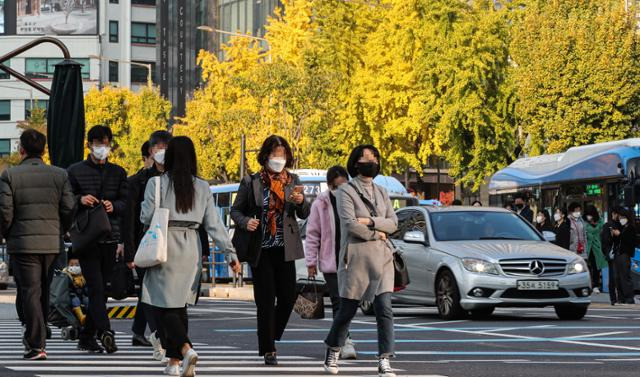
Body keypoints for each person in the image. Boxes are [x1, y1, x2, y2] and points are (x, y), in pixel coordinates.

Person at [140, 136, 241, 377]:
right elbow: (215, 224)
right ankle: (174, 363)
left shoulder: (157, 183)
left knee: (161, 305)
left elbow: (145, 217)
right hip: (192, 247)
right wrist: (230, 253)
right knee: (178, 305)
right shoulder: (203, 186)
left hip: (165, 245)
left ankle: (186, 349)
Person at [230, 135, 310, 365]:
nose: (279, 158)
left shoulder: (293, 180)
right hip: (261, 249)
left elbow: (305, 213)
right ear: (265, 156)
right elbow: (236, 211)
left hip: (285, 247)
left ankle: (269, 334)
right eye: (275, 154)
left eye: (282, 154)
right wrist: (246, 222)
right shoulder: (251, 181)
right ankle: (269, 349)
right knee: (265, 300)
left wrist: (300, 200)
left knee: (287, 298)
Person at [323, 145, 398, 377]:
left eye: (375, 157)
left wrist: (370, 221)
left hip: (383, 259)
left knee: (384, 309)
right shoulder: (346, 191)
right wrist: (378, 230)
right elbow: (350, 224)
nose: (372, 161)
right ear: (356, 162)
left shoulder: (382, 191)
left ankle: (384, 359)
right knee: (347, 310)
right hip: (356, 258)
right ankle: (333, 349)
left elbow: (393, 223)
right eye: (367, 157)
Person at [0, 129, 75, 360]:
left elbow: (4, 212)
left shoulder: (9, 175)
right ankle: (39, 335)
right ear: (44, 150)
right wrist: (60, 230)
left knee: (30, 291)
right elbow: (69, 207)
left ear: (21, 149)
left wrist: (7, 234)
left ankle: (36, 344)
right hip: (52, 243)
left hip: (23, 244)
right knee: (43, 291)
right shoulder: (60, 174)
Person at [67, 125, 128, 354]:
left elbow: (126, 202)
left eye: (105, 143)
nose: (102, 147)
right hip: (87, 237)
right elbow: (67, 199)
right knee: (95, 287)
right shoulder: (74, 171)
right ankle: (106, 332)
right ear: (89, 145)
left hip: (111, 237)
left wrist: (115, 206)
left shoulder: (119, 172)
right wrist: (80, 199)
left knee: (101, 290)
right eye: (97, 143)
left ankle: (86, 336)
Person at [124, 131, 172, 353]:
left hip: (172, 243)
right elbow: (131, 218)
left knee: (154, 290)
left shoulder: (179, 177)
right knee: (148, 289)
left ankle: (138, 330)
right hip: (146, 243)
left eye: (166, 147)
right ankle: (158, 335)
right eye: (158, 148)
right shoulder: (137, 181)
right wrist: (130, 252)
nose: (162, 153)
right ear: (150, 151)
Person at [304, 166, 356, 360]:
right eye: (337, 187)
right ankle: (345, 341)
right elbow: (312, 234)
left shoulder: (353, 200)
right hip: (330, 261)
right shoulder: (321, 204)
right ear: (329, 185)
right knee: (339, 302)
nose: (341, 190)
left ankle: (335, 339)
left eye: (345, 186)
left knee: (349, 302)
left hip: (351, 259)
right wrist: (311, 262)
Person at [612, 208, 635, 304]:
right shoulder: (619, 227)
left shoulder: (630, 228)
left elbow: (631, 241)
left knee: (625, 276)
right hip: (617, 253)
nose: (621, 219)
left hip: (625, 254)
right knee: (617, 277)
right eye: (620, 217)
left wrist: (620, 235)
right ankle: (620, 297)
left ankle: (629, 297)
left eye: (623, 217)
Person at [584, 207, 607, 295]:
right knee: (586, 267)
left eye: (590, 215)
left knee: (596, 267)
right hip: (587, 248)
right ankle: (588, 285)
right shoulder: (584, 223)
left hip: (597, 248)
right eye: (587, 215)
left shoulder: (600, 222)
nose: (588, 216)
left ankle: (595, 286)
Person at [601, 208, 621, 305]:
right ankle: (614, 298)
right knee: (614, 277)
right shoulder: (609, 226)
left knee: (615, 276)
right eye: (618, 215)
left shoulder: (617, 225)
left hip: (614, 253)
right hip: (613, 254)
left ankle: (616, 298)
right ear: (613, 214)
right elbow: (605, 241)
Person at [64, 259, 89, 326]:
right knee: (76, 301)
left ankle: (90, 318)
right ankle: (81, 318)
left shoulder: (83, 276)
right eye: (71, 265)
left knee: (88, 301)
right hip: (72, 296)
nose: (74, 267)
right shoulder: (66, 276)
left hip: (82, 295)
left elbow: (86, 288)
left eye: (77, 265)